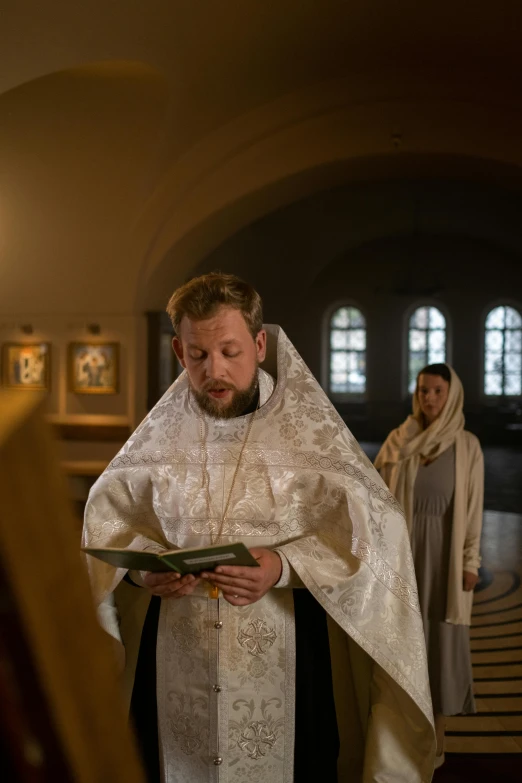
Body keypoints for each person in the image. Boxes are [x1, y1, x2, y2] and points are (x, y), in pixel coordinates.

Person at [83, 273, 435, 783]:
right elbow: (107, 527)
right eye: (199, 355)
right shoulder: (156, 441)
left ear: (261, 344)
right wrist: (142, 576)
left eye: (230, 351)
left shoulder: (309, 436)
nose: (215, 370)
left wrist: (283, 565)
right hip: (175, 667)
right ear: (179, 352)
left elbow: (377, 533)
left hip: (290, 663)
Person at [375, 363, 484, 769]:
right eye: (423, 391)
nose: (429, 399)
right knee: (403, 645)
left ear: (451, 394)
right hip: (404, 555)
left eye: (437, 391)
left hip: (444, 558)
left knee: (437, 645)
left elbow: (472, 511)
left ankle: (437, 740)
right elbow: (376, 500)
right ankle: (402, 737)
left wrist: (470, 561)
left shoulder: (467, 445)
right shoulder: (398, 441)